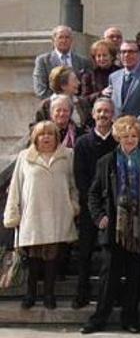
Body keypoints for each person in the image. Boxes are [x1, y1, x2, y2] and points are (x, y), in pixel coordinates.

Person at [82, 116, 140, 334]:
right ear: (118, 137)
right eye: (125, 136)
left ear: (139, 137)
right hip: (113, 230)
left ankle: (130, 319)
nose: (129, 140)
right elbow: (93, 194)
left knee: (135, 277)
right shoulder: (106, 161)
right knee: (109, 278)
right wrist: (99, 217)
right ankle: (99, 318)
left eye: (133, 135)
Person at [4, 121, 78, 310]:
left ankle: (49, 294)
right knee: (33, 258)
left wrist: (73, 206)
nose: (46, 138)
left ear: (56, 137)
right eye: (41, 134)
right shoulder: (24, 157)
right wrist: (13, 213)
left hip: (57, 215)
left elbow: (73, 185)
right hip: (33, 215)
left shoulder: (67, 156)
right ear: (35, 138)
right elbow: (16, 187)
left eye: (50, 134)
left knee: (52, 257)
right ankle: (30, 294)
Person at [71, 98, 117, 309]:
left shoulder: (118, 141)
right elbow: (80, 177)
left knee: (112, 254)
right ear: (93, 114)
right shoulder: (82, 143)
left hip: (114, 206)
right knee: (85, 251)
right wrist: (93, 204)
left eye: (106, 111)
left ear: (113, 114)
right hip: (90, 205)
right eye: (99, 111)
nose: (102, 115)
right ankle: (82, 291)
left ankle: (111, 293)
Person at [33, 25, 92, 99]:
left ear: (72, 40)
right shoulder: (43, 61)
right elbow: (40, 89)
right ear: (53, 40)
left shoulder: (83, 62)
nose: (64, 41)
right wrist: (58, 102)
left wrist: (77, 102)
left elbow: (86, 88)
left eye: (67, 37)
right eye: (60, 37)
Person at [108, 40, 140, 118]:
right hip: (118, 125)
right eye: (123, 52)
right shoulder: (114, 77)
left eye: (131, 52)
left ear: (139, 54)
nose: (126, 55)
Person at [35, 65, 92, 130]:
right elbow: (36, 129)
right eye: (75, 80)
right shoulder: (46, 105)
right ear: (63, 85)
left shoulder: (82, 103)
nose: (78, 83)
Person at [80, 39, 120, 105]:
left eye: (104, 55)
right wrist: (101, 94)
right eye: (98, 56)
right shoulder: (89, 74)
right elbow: (85, 99)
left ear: (112, 56)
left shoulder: (120, 72)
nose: (101, 59)